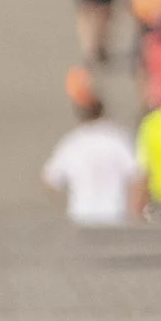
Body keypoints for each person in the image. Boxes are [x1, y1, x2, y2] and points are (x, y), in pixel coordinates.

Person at [43, 70, 139, 227]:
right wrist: (135, 212)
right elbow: (138, 176)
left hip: (81, 218)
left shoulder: (72, 143)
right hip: (115, 218)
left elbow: (49, 181)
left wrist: (69, 200)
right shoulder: (119, 138)